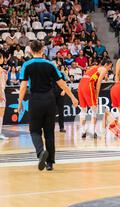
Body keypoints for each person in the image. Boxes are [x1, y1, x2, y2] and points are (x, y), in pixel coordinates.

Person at [18, 40, 78, 171]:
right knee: (49, 133)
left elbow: (23, 87)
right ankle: (50, 163)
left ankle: (40, 152)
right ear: (42, 50)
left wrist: (19, 103)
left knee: (34, 130)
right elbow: (62, 83)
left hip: (35, 100)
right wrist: (73, 97)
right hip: (50, 101)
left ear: (30, 50)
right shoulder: (50, 65)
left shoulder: (26, 65)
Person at [77, 59, 113, 139]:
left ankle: (83, 131)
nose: (109, 69)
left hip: (80, 86)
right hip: (88, 85)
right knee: (94, 109)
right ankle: (93, 132)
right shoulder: (103, 69)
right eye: (109, 67)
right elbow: (99, 83)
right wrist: (96, 95)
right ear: (106, 64)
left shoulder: (93, 67)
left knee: (83, 110)